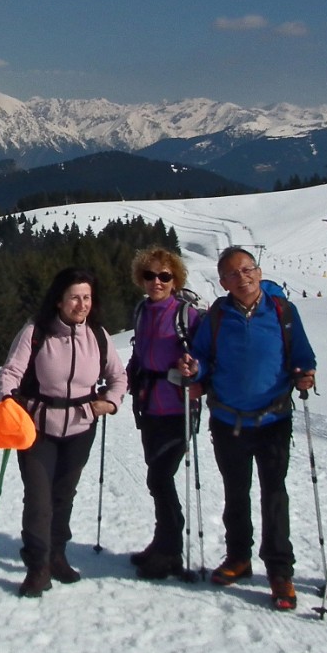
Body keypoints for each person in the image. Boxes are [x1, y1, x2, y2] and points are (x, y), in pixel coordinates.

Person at [177, 247, 316, 610]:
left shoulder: (284, 311)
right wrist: (196, 370)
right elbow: (203, 357)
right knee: (236, 493)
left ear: (258, 270)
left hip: (273, 419)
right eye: (233, 274)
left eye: (247, 270)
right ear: (222, 282)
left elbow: (302, 353)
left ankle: (279, 571)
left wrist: (305, 373)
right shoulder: (218, 316)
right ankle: (239, 557)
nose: (242, 278)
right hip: (228, 420)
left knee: (274, 495)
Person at [0, 267, 127, 597]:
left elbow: (119, 377)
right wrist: (11, 403)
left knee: (63, 497)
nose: (81, 304)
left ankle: (57, 556)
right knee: (39, 500)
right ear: (58, 301)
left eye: (87, 297)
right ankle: (38, 566)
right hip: (38, 428)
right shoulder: (36, 332)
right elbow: (10, 373)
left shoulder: (98, 335)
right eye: (74, 298)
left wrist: (110, 403)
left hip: (82, 428)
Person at [125, 247, 202, 580]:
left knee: (160, 476)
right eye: (150, 275)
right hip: (148, 404)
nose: (156, 281)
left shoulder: (187, 315)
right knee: (157, 476)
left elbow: (203, 360)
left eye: (164, 276)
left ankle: (170, 549)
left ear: (175, 279)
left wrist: (194, 371)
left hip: (178, 407)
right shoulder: (142, 311)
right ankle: (162, 542)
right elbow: (140, 353)